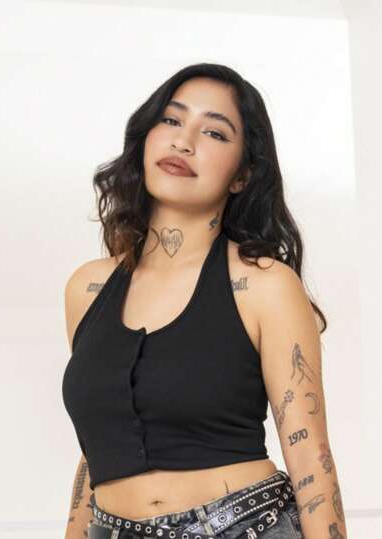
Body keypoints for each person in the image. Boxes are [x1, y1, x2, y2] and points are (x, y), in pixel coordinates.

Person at [62, 63, 347, 539]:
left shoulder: (263, 284)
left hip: (243, 526)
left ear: (242, 175)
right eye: (171, 120)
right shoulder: (86, 288)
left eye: (214, 132)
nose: (184, 141)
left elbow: (310, 460)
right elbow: (96, 445)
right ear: (146, 138)